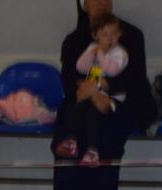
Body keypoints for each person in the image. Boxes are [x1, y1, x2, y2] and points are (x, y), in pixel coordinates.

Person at [52, 0, 155, 190]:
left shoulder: (132, 35)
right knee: (69, 125)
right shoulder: (73, 40)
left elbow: (135, 77)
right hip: (83, 97)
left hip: (123, 99)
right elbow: (69, 79)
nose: (102, 2)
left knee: (107, 130)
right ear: (85, 5)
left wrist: (104, 89)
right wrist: (92, 94)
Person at [54, 13, 129, 167]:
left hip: (111, 98)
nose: (109, 39)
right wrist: (92, 52)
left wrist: (101, 53)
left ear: (119, 34)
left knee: (93, 114)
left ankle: (93, 152)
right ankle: (72, 142)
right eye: (104, 34)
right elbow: (81, 67)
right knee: (77, 108)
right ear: (95, 35)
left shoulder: (120, 53)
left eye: (114, 34)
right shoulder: (92, 48)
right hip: (92, 93)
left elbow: (111, 70)